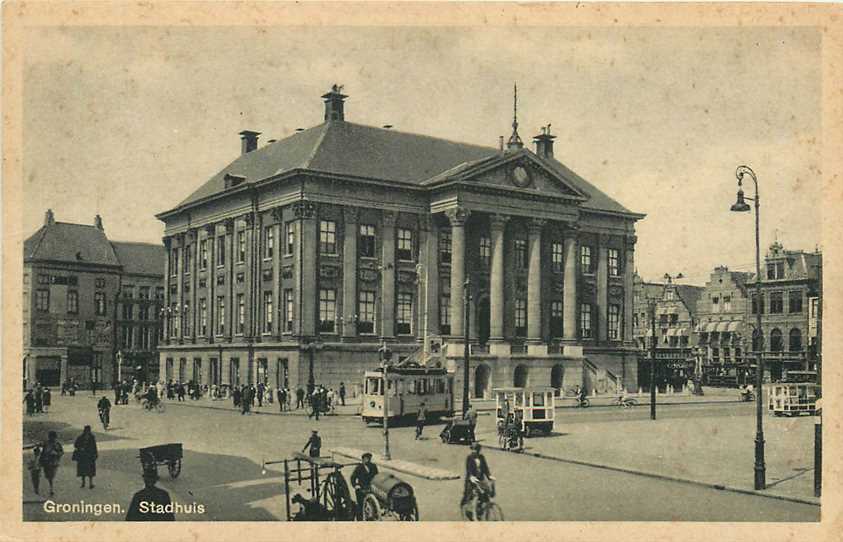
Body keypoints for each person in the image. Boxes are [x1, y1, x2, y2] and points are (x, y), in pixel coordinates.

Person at [461, 442, 494, 511]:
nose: (474, 451)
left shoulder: (482, 457)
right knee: (470, 494)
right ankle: (468, 508)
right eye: (473, 449)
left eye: (476, 450)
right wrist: (471, 477)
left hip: (480, 479)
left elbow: (485, 468)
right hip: (472, 480)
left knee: (486, 492)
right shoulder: (469, 458)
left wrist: (489, 476)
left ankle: (481, 508)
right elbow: (469, 469)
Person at [350, 452, 379, 518]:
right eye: (366, 459)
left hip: (370, 488)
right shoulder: (359, 467)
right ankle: (360, 518)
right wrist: (356, 485)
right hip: (361, 488)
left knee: (373, 503)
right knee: (361, 504)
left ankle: (372, 515)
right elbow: (353, 478)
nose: (368, 460)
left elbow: (377, 477)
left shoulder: (373, 466)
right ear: (363, 460)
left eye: (369, 459)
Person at [39, 430, 64, 497]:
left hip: (54, 462)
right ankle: (51, 487)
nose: (52, 438)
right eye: (51, 437)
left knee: (51, 475)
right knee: (48, 475)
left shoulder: (57, 444)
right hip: (46, 462)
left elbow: (61, 452)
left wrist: (56, 453)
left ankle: (51, 488)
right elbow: (43, 451)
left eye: (53, 437)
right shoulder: (46, 443)